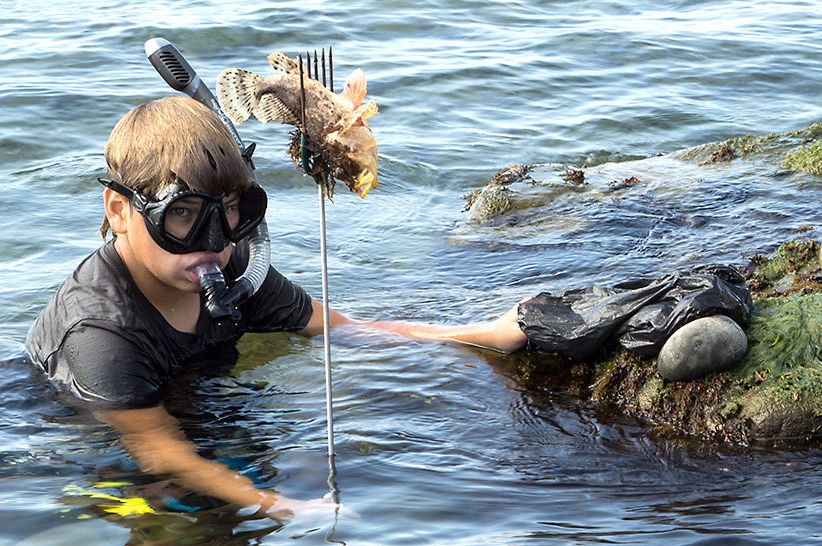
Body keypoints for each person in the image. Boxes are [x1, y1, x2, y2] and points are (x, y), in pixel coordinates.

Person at [26, 96, 527, 520]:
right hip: (90, 441)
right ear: (119, 211)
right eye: (181, 215)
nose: (213, 241)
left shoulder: (234, 269)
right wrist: (284, 506)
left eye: (227, 213)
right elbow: (159, 451)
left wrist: (484, 335)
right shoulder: (99, 332)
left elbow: (340, 328)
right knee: (191, 526)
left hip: (187, 400)